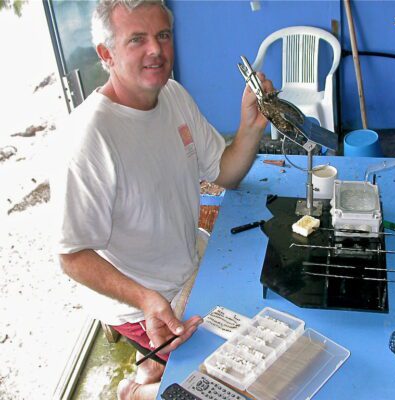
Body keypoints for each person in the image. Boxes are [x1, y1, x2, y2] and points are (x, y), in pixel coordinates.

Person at [53, 1, 272, 399]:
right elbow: (71, 255)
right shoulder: (87, 139)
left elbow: (223, 173)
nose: (156, 50)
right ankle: (137, 392)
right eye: (136, 39)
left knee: (266, 326)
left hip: (188, 263)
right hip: (141, 304)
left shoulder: (172, 94)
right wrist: (146, 299)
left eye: (163, 36)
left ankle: (152, 363)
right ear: (106, 54)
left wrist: (249, 127)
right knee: (226, 387)